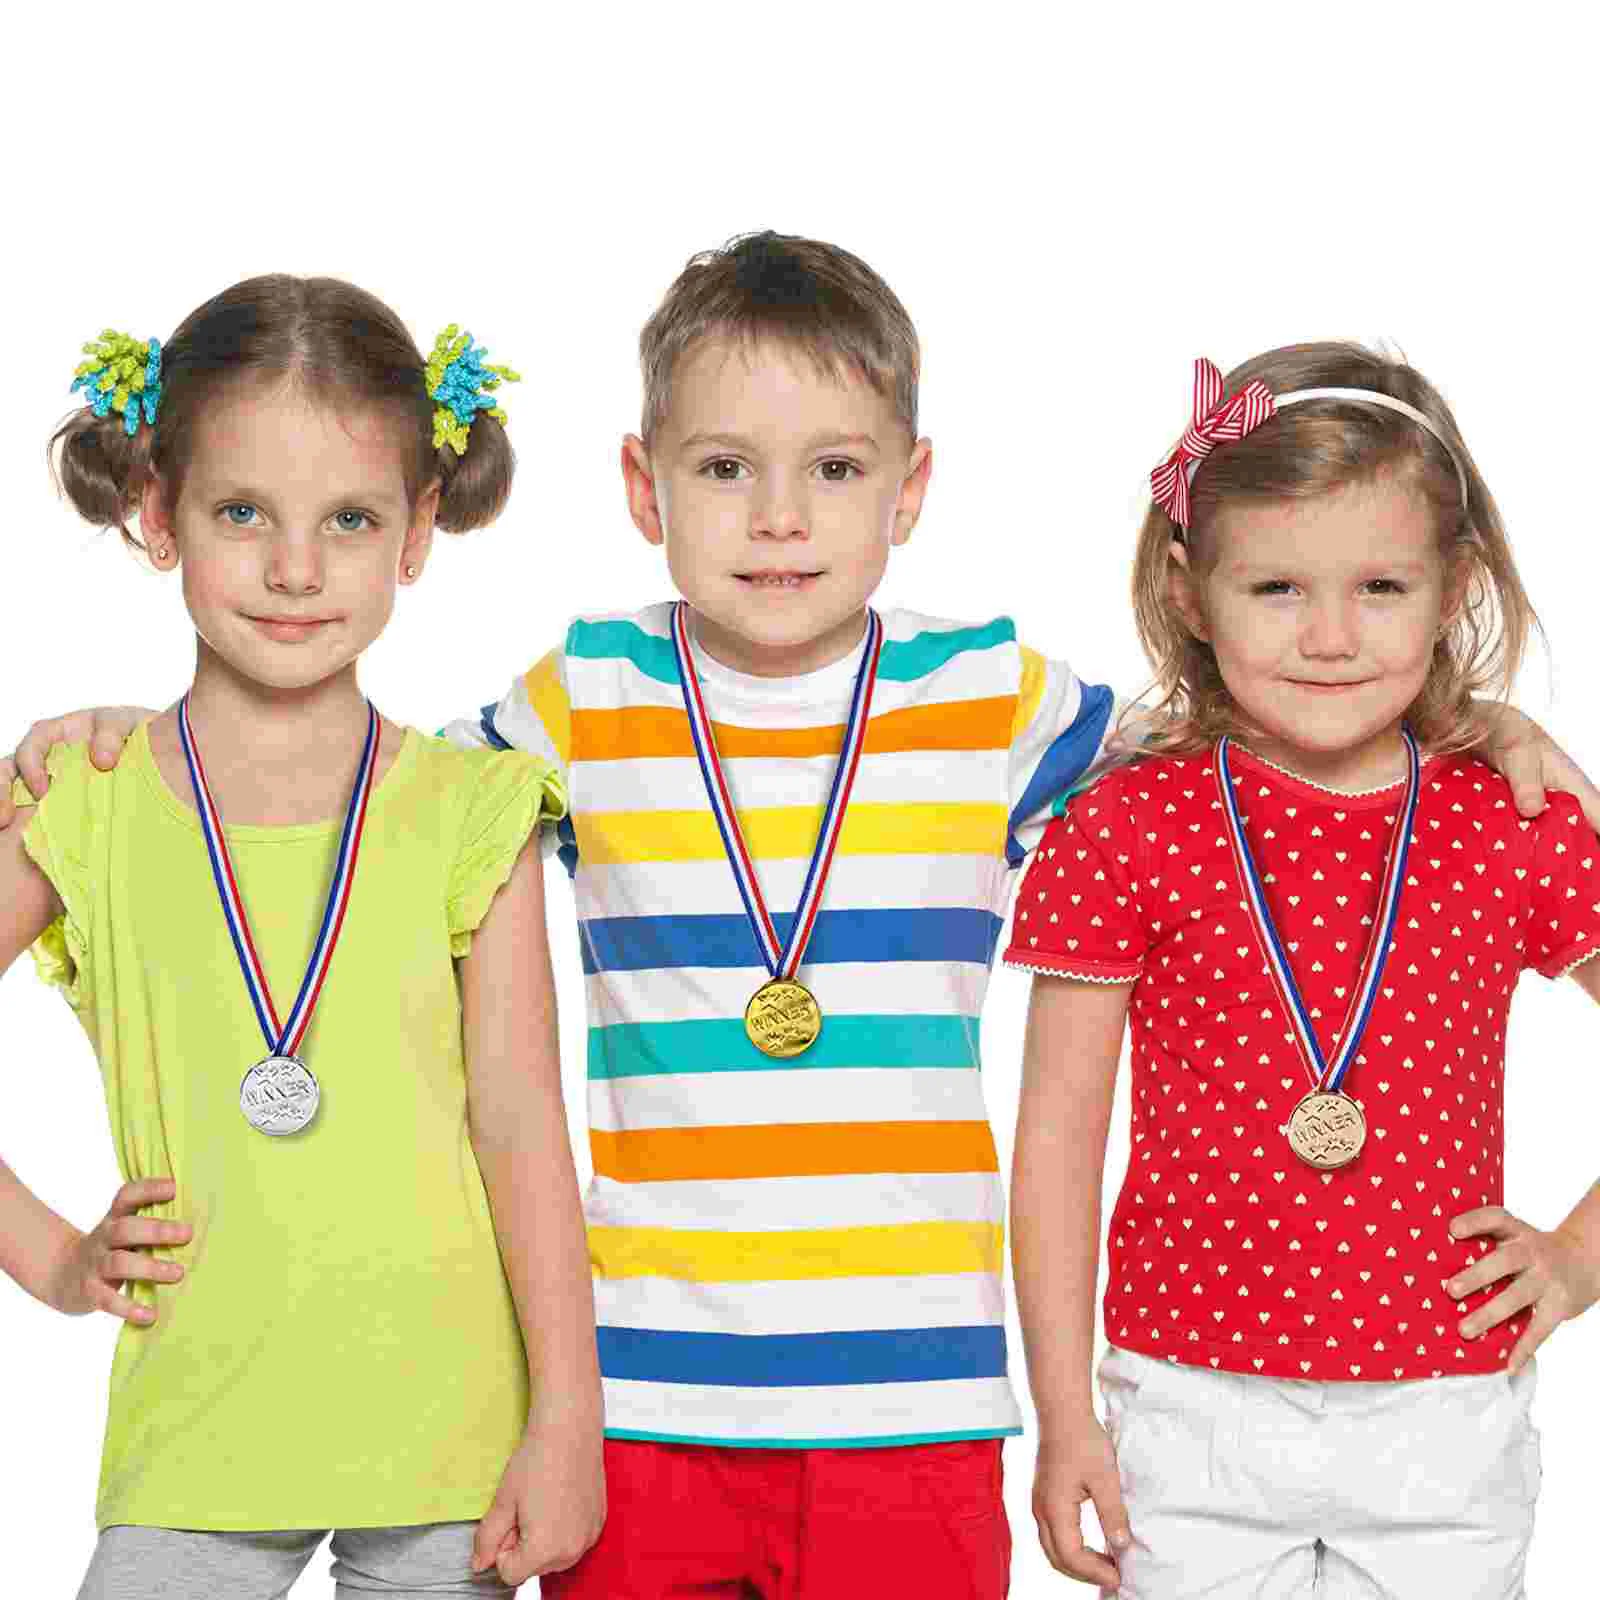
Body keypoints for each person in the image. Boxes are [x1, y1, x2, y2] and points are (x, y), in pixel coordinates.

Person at [6, 248, 1596, 1600]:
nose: (779, 519)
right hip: (643, 1394)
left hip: (918, 1403)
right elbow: (357, 787)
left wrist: (1479, 731)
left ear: (910, 490)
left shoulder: (999, 699)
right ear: (644, 488)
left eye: (833, 470)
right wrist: (135, 737)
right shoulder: (580, 700)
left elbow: (1255, 723)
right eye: (724, 470)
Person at [0, 280, 603, 1598]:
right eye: (241, 513)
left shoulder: (475, 809)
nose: (294, 569)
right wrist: (51, 1259)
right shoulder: (85, 802)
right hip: (195, 1444)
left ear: (417, 529)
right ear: (155, 511)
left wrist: (570, 1415)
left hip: (454, 1448)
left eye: (349, 519)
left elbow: (522, 1125)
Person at [1003, 347, 1600, 1598]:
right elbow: (1056, 1139)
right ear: (1190, 592)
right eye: (1276, 587)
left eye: (1380, 586)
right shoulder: (1121, 822)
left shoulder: (1514, 818)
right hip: (1185, 1405)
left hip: (1445, 1407)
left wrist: (1578, 1253)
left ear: (1454, 588)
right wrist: (1062, 1413)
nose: (1328, 637)